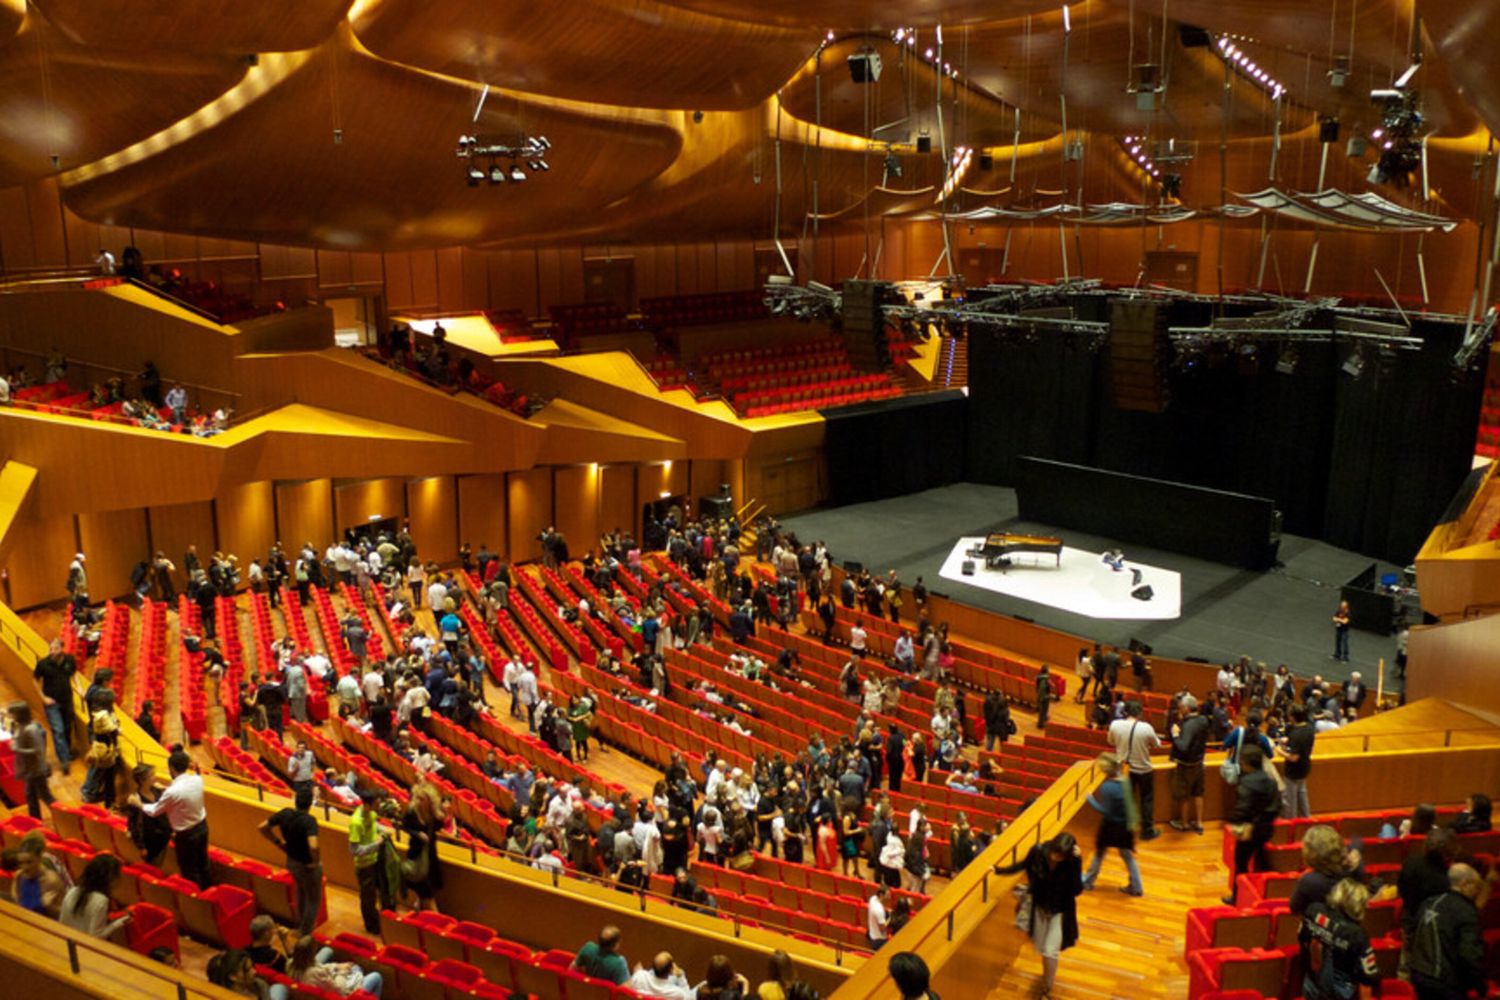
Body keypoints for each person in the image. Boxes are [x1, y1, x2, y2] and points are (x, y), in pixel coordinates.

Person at [993, 832, 1083, 999]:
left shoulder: (1071, 862)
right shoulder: (1038, 852)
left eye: (1061, 856)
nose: (1056, 858)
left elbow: (1077, 890)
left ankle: (1047, 988)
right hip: (1041, 909)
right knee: (1043, 949)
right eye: (1055, 853)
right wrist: (999, 870)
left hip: (1060, 912)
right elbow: (1022, 865)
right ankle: (1046, 979)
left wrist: (1077, 863)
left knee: (1050, 951)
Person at [133, 748, 210, 889]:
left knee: (189, 870)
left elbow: (155, 810)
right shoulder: (198, 780)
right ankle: (208, 892)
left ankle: (197, 900)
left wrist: (140, 804)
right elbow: (182, 792)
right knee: (203, 863)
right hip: (203, 828)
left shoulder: (172, 792)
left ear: (171, 769)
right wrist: (166, 789)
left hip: (186, 835)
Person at [1408, 863, 1487, 1000]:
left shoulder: (1428, 903)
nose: (1477, 892)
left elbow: (1412, 938)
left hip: (1419, 976)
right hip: (1445, 983)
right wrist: (1481, 986)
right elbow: (1468, 956)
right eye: (1477, 887)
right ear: (1465, 884)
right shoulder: (1466, 911)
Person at [258, 785, 323, 935]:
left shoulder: (285, 813)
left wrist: (278, 842)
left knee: (300, 892)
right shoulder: (309, 821)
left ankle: (299, 926)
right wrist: (315, 861)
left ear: (296, 801)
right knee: (313, 899)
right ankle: (305, 932)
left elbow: (262, 827)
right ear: (310, 803)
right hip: (307, 865)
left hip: (291, 861)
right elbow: (313, 846)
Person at [1300, 878, 1379, 1000]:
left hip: (1311, 982)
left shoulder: (1313, 911)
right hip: (1339, 991)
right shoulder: (1357, 934)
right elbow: (1368, 976)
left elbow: (1302, 938)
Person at [1222, 745, 1281, 904]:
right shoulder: (1270, 780)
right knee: (1262, 860)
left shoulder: (1247, 782)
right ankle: (1268, 892)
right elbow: (1277, 806)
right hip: (1266, 829)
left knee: (1241, 865)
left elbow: (1243, 808)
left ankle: (1237, 897)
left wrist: (1233, 821)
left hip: (1249, 829)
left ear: (1247, 763)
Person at [1080, 754, 1143, 896]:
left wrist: (1090, 800)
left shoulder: (1107, 787)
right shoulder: (1126, 781)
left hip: (1110, 826)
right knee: (1127, 856)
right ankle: (1137, 886)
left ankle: (1088, 881)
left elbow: (1106, 811)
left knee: (1100, 853)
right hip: (1125, 827)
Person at [1398, 828, 1456, 977]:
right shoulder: (1447, 878)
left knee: (1408, 961)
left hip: (1411, 918)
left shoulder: (1411, 863)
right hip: (1436, 925)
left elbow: (1401, 889)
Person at [1107, 702, 1160, 841]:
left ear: (1125, 712)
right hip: (1143, 769)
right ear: (1140, 713)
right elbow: (1156, 744)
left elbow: (1111, 742)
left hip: (1123, 769)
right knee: (1146, 799)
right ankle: (1147, 831)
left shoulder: (1115, 725)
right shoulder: (1146, 728)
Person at [59, 855, 132, 939]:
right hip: (81, 947)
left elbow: (61, 922)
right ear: (111, 878)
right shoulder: (101, 901)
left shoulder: (73, 890)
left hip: (64, 939)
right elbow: (95, 937)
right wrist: (119, 923)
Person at [348, 789, 390, 935]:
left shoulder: (371, 814)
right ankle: (371, 926)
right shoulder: (356, 822)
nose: (379, 805)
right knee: (368, 898)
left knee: (379, 892)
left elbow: (375, 826)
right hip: (364, 865)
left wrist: (383, 830)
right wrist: (376, 845)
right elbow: (355, 850)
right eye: (377, 803)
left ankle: (379, 920)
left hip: (375, 861)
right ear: (368, 804)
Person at [400, 781, 447, 911]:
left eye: (422, 798)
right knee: (425, 889)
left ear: (429, 799)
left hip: (430, 851)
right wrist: (417, 833)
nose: (419, 801)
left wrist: (441, 817)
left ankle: (420, 908)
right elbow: (404, 826)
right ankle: (435, 917)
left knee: (429, 884)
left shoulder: (433, 811)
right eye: (418, 797)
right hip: (416, 850)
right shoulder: (412, 810)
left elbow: (438, 827)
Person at [288, 934, 383, 998]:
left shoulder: (291, 964)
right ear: (312, 952)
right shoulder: (316, 973)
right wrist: (341, 973)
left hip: (325, 984)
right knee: (375, 975)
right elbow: (340, 990)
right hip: (343, 994)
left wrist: (337, 966)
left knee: (328, 951)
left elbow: (319, 966)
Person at [32, 638, 78, 771]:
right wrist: (43, 697)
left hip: (67, 699)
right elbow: (35, 680)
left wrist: (79, 687)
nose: (52, 651)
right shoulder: (43, 664)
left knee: (68, 727)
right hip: (52, 702)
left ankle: (67, 752)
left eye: (55, 648)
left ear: (62, 649)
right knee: (58, 730)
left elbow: (73, 674)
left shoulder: (69, 660)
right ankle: (64, 760)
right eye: (51, 649)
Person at [1168, 695, 1208, 834]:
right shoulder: (1202, 720)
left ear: (1186, 708)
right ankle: (1199, 823)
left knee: (1184, 795)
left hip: (1186, 765)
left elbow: (1183, 746)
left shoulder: (1189, 724)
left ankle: (1184, 824)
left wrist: (1175, 734)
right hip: (1199, 762)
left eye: (1181, 708)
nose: (1179, 710)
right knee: (1198, 793)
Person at [9, 701, 53, 818]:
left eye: (13, 714)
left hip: (36, 769)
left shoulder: (31, 729)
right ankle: (36, 821)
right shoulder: (20, 726)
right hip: (29, 769)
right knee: (31, 796)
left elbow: (37, 751)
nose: (11, 717)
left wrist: (17, 749)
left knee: (46, 796)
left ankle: (64, 817)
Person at [10, 832, 67, 916]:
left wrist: (50, 907)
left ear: (39, 858)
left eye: (29, 862)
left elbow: (65, 914)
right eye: (21, 863)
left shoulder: (52, 880)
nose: (25, 867)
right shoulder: (19, 876)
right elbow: (17, 904)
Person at [1281, 705, 1316, 819]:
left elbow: (1293, 758)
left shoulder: (1296, 735)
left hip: (1293, 772)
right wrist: (1288, 741)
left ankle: (1291, 826)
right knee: (1302, 795)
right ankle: (1306, 819)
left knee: (1290, 801)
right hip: (1305, 767)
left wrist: (1279, 751)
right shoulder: (1309, 728)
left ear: (1292, 717)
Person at [629, 952, 694, 999]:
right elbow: (688, 997)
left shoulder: (639, 976)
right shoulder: (677, 993)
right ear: (670, 971)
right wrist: (681, 977)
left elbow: (634, 981)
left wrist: (639, 973)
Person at [867, 885, 892, 950]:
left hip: (872, 933)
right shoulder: (879, 910)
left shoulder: (873, 898)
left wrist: (886, 911)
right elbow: (882, 928)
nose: (890, 896)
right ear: (881, 895)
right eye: (888, 895)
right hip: (879, 940)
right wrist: (890, 918)